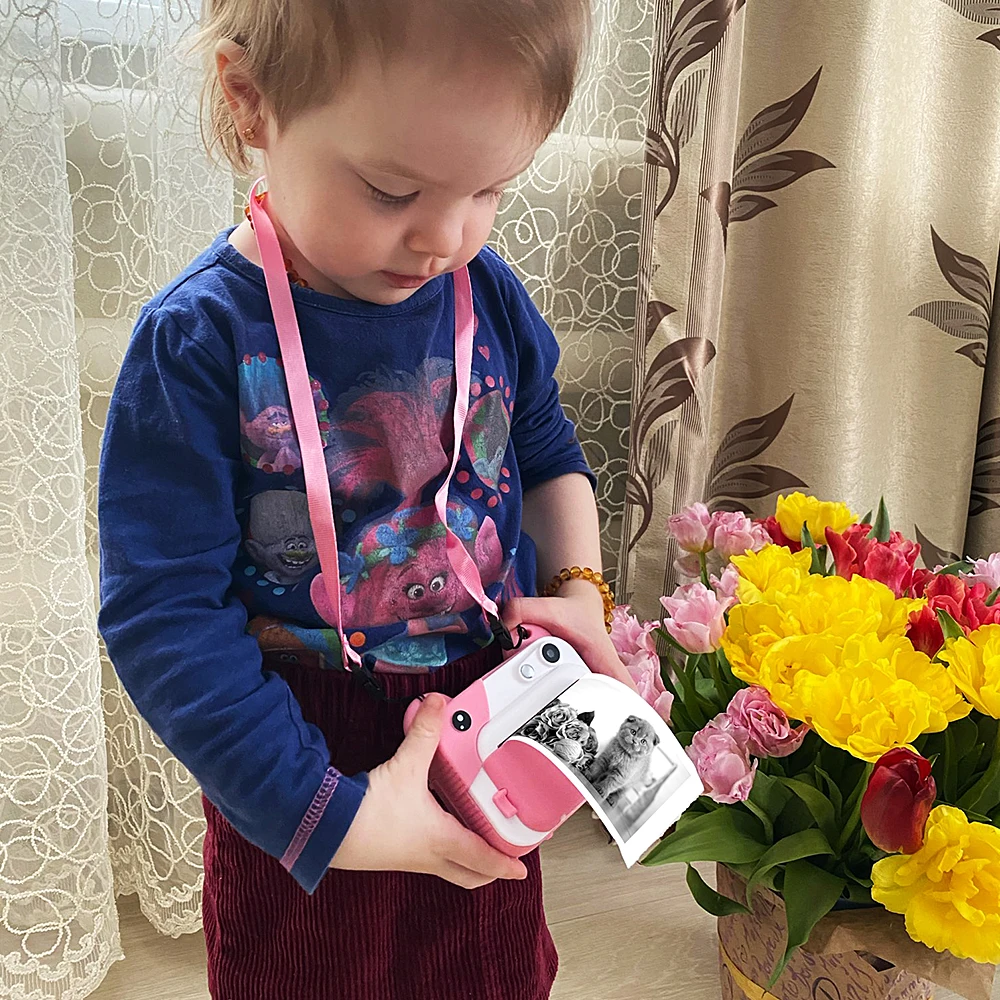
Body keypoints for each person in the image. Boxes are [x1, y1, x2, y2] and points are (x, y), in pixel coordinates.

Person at [98, 2, 632, 997]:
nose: (444, 238)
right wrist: (333, 818)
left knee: (489, 968)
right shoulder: (197, 342)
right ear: (250, 99)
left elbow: (546, 449)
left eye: (490, 190)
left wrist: (579, 591)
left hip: (483, 700)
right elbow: (164, 615)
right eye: (393, 190)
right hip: (297, 744)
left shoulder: (486, 291)